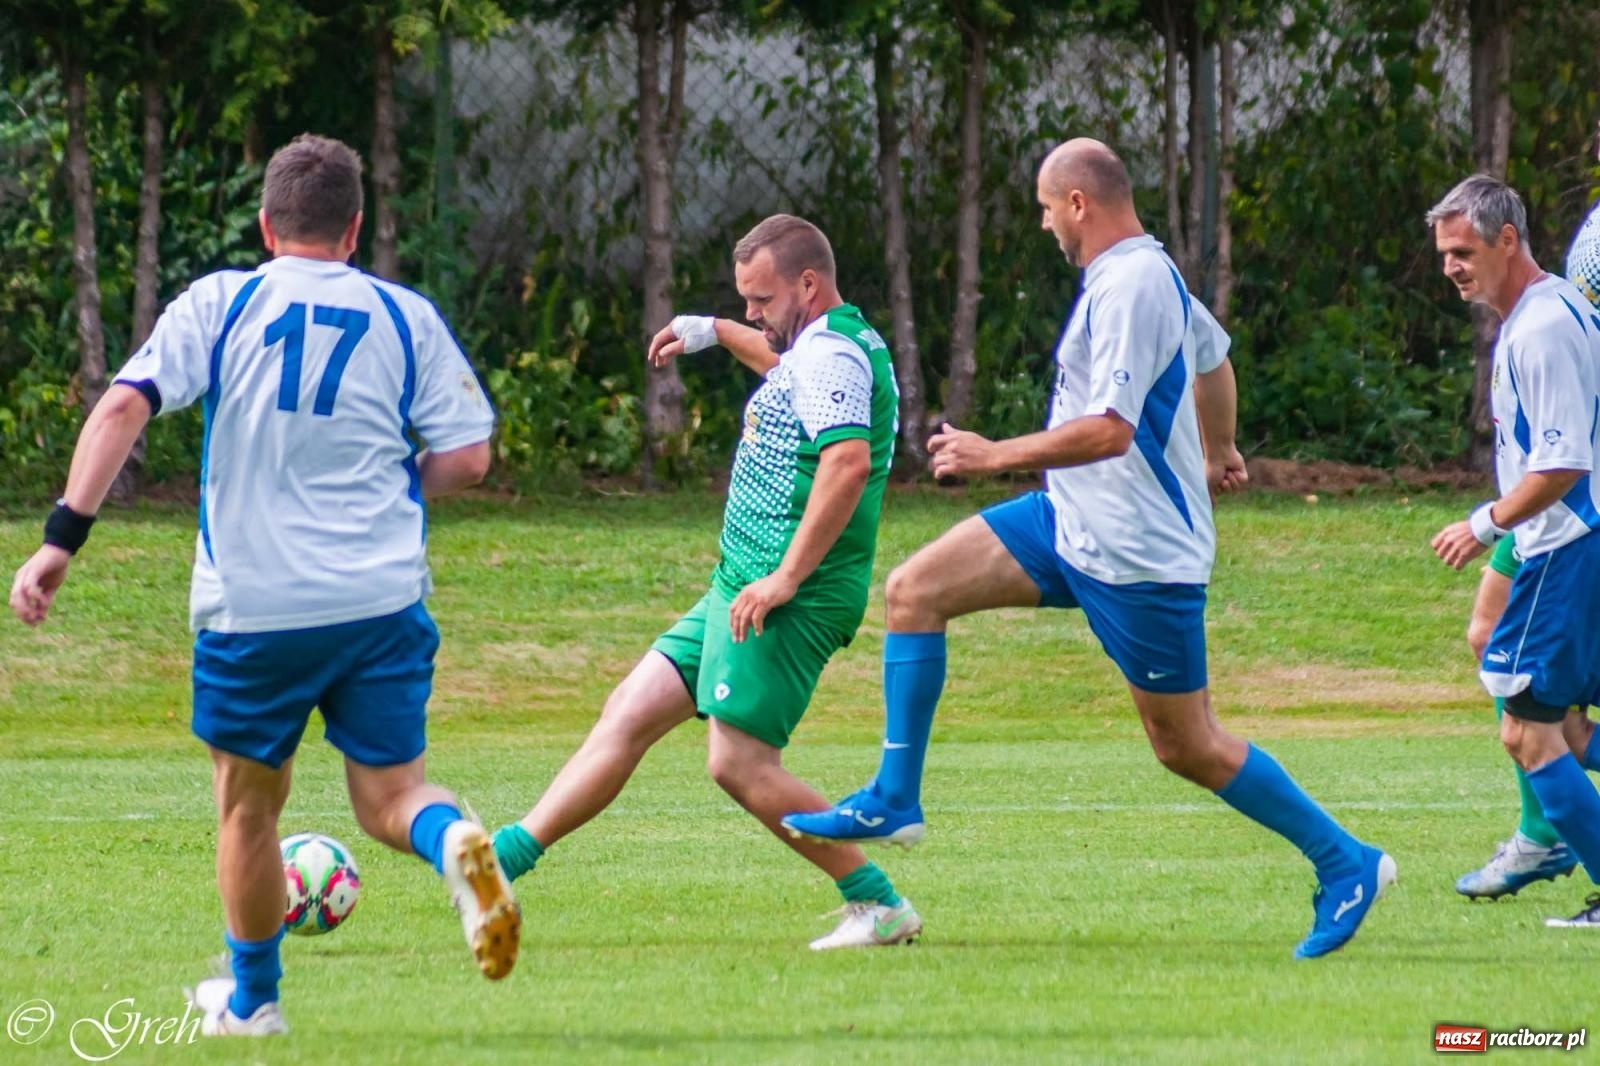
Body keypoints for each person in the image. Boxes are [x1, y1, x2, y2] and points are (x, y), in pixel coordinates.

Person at [782, 138, 1393, 959]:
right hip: (1070, 523)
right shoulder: (1136, 275)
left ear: (1079, 203)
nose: (1043, 225)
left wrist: (992, 452)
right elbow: (1213, 360)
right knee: (914, 590)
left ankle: (1347, 861)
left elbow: (1111, 430)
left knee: (1188, 745)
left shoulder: (1137, 282)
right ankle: (895, 797)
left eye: (1045, 207)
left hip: (1140, 556)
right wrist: (1219, 447)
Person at [8, 134, 519, 1035]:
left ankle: (253, 1003)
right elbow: (471, 458)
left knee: (248, 807)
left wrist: (61, 541)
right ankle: (460, 846)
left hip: (256, 607)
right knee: (395, 798)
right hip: (381, 601)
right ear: (356, 228)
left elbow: (126, 403)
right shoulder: (405, 315)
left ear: (265, 224)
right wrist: (403, 483)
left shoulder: (225, 300)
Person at [489, 214, 920, 949]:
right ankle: (499, 863)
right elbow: (791, 373)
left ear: (808, 284)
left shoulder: (834, 357)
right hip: (741, 582)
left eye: (762, 299)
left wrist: (785, 578)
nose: (755, 311)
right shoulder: (824, 342)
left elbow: (846, 463)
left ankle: (878, 903)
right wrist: (719, 331)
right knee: (631, 709)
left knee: (738, 762)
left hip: (788, 593)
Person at [1426, 174, 1600, 929]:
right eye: (1443, 254)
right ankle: (1544, 838)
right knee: (1555, 724)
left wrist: (1488, 523)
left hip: (1568, 546)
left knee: (1528, 729)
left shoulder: (1541, 328)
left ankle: (1554, 847)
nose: (1452, 267)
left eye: (1463, 251)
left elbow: (1562, 463)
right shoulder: (1546, 309)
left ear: (1507, 240)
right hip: (1564, 545)